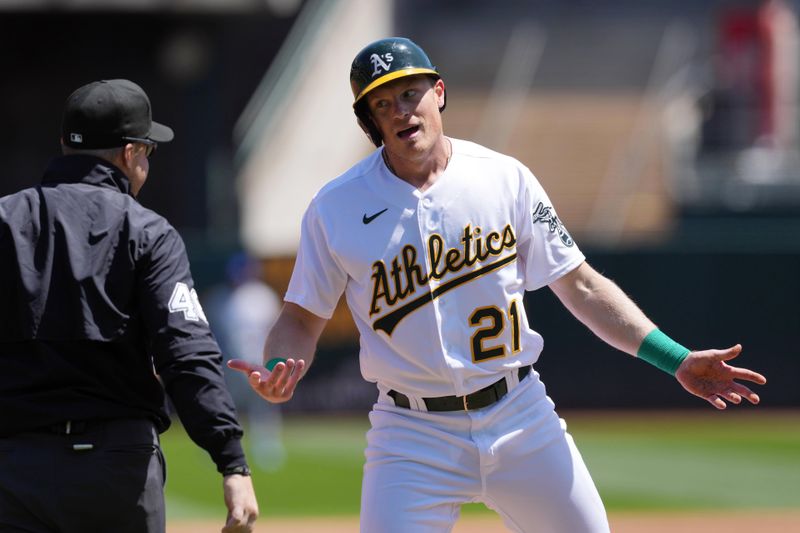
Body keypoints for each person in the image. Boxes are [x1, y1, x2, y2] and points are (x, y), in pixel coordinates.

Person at [229, 38, 767, 533]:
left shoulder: (503, 177)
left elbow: (579, 286)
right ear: (369, 120)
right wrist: (279, 366)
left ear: (438, 92)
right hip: (411, 434)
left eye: (409, 93)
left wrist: (674, 359)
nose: (400, 111)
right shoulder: (335, 206)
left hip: (519, 415)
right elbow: (300, 317)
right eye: (382, 104)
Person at [0, 79, 258, 533]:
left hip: (13, 468)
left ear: (65, 145)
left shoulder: (5, 219)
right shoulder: (148, 232)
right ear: (130, 153)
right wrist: (231, 460)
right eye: (148, 152)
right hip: (115, 471)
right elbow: (186, 354)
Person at [206, 252, 286, 471]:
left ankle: (267, 448)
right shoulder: (222, 299)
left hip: (259, 359)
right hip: (233, 362)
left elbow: (276, 330)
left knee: (264, 405)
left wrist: (272, 360)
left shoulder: (264, 296)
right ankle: (218, 445)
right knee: (226, 405)